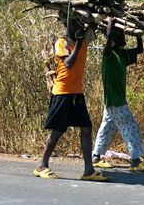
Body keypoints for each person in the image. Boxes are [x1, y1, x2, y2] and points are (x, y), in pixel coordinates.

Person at [33, 14, 108, 182]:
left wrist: (100, 20)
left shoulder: (84, 38)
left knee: (86, 128)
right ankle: (42, 165)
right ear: (68, 25)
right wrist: (79, 43)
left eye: (80, 24)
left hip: (77, 92)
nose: (78, 27)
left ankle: (88, 170)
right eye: (75, 24)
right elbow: (68, 63)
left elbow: (99, 28)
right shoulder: (63, 42)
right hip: (62, 92)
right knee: (58, 131)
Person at [91, 18, 144, 172]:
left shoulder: (122, 55)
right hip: (115, 100)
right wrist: (111, 22)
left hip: (113, 101)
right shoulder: (108, 55)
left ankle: (96, 156)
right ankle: (135, 160)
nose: (123, 38)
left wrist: (138, 33)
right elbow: (109, 36)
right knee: (130, 126)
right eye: (120, 35)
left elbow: (139, 50)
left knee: (108, 128)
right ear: (112, 39)